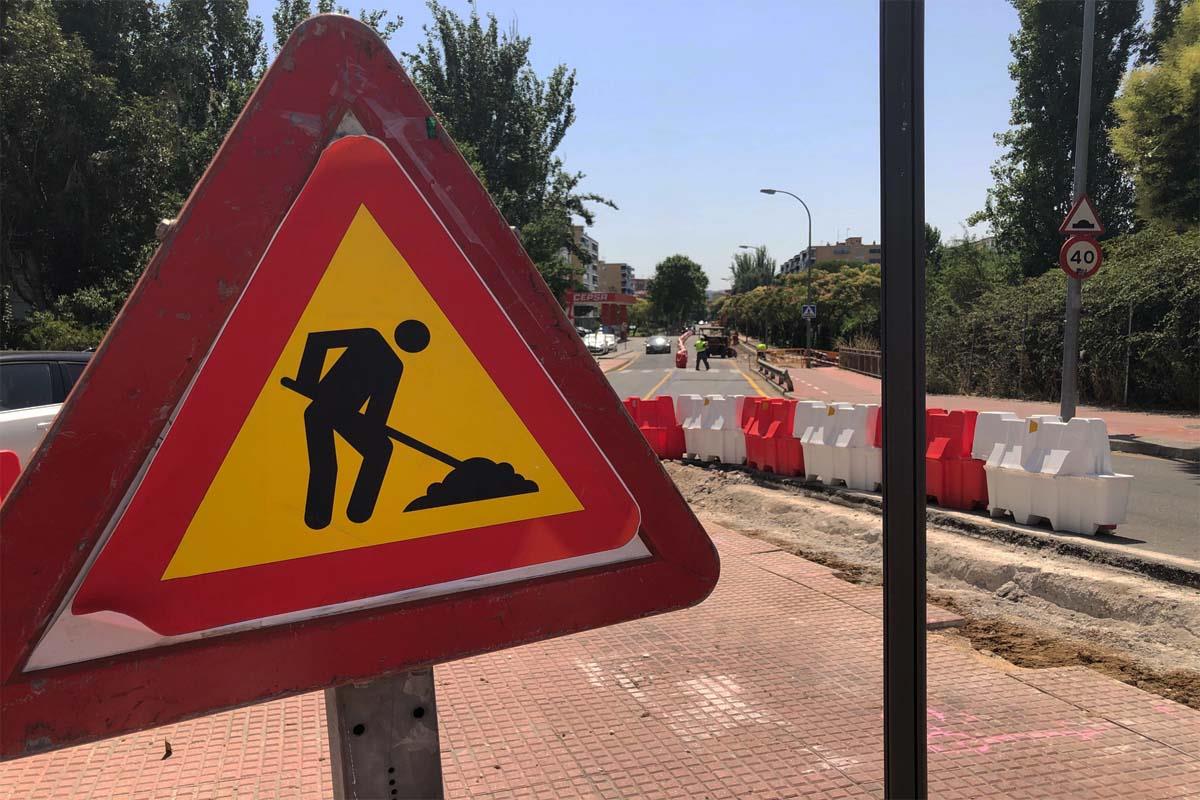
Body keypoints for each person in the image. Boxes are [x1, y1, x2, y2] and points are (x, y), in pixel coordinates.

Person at [282, 320, 431, 530]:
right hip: (322, 409)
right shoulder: (369, 338)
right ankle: (318, 517)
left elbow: (378, 412)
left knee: (381, 449)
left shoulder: (394, 365)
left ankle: (359, 512)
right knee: (326, 465)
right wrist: (308, 380)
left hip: (346, 415)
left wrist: (373, 426)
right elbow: (318, 340)